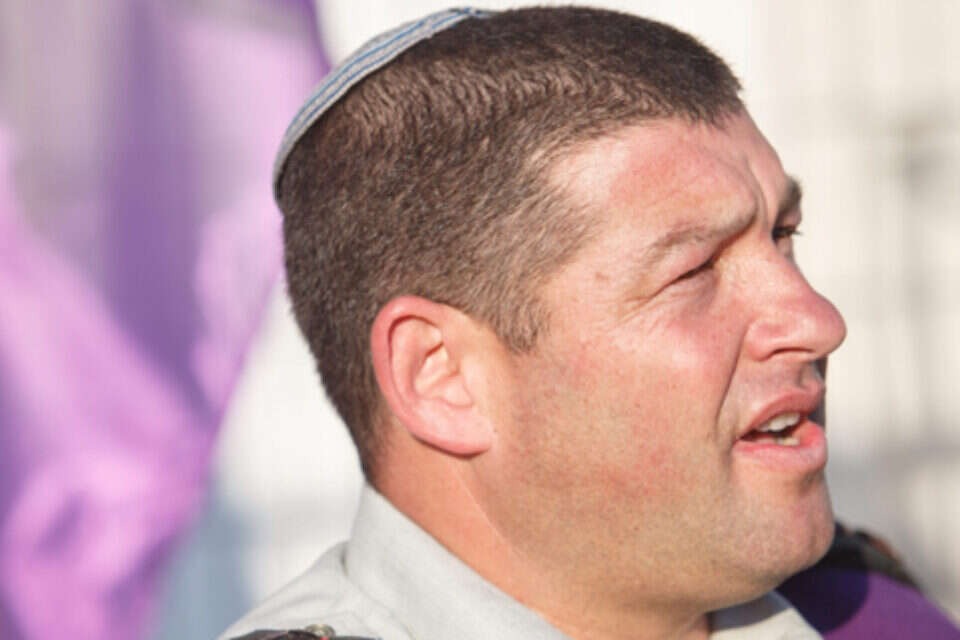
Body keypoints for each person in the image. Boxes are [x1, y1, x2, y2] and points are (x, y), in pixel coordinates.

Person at [219, 7, 946, 639]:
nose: (818, 322)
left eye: (784, 234)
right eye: (694, 271)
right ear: (441, 377)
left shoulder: (873, 616)